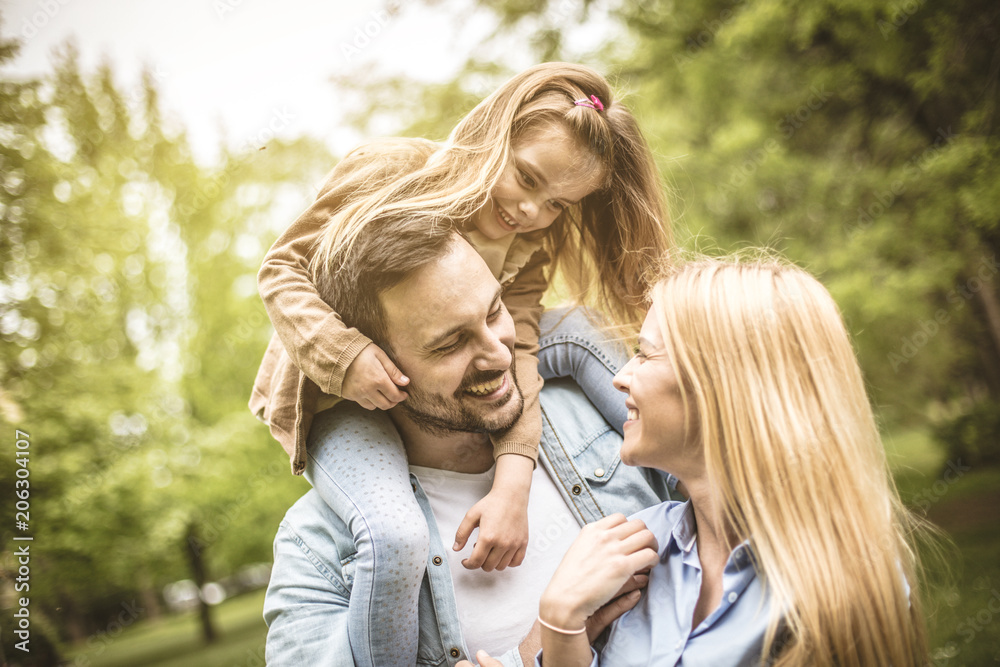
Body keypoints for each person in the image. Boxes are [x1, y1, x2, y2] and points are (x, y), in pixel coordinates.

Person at [251, 62, 672, 665]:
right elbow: (282, 269)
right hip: (337, 393)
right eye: (526, 179)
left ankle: (692, 452)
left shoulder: (527, 243)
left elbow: (519, 346)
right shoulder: (392, 172)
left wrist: (512, 483)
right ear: (493, 132)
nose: (531, 210)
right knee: (392, 535)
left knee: (573, 330)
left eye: (557, 203)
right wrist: (346, 356)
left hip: (458, 369)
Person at [465, 257, 930, 667]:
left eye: (644, 354)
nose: (622, 377)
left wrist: (563, 625)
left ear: (722, 387)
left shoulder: (843, 591)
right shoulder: (635, 549)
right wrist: (561, 628)